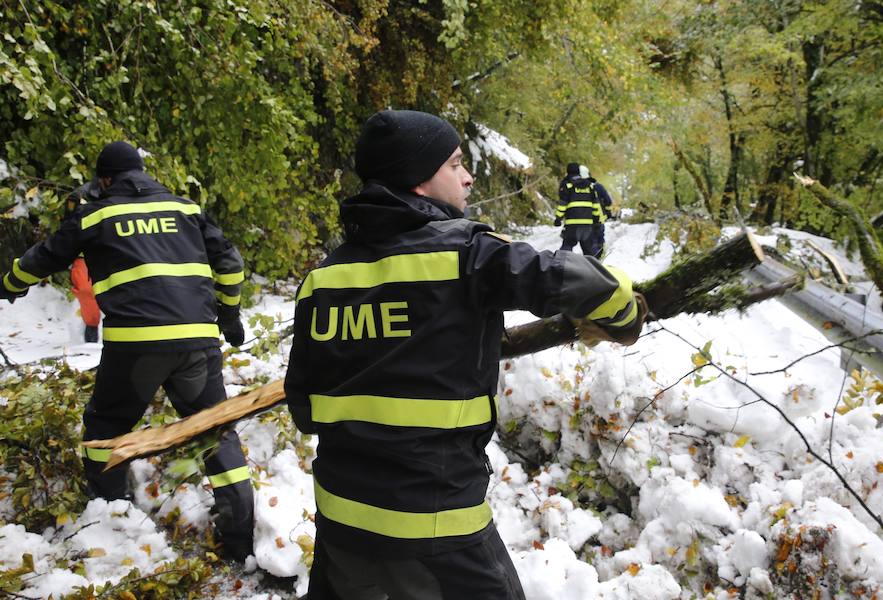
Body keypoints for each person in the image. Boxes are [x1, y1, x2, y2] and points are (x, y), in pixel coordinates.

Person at [285, 110, 648, 599]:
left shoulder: (323, 279)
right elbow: (571, 277)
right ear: (417, 178)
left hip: (341, 523)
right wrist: (625, 311)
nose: (469, 175)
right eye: (455, 164)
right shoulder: (466, 253)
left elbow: (305, 408)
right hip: (437, 526)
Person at [0, 141, 254, 560]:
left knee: (105, 429)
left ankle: (115, 523)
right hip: (197, 340)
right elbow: (230, 262)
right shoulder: (185, 209)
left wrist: (9, 284)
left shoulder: (95, 214)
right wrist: (229, 315)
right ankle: (240, 540)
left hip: (137, 346)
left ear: (104, 180)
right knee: (214, 430)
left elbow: (42, 258)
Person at [65, 180, 102, 343]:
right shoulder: (80, 197)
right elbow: (68, 227)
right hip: (84, 253)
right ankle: (91, 327)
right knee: (85, 290)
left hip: (116, 251)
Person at [554, 162, 600, 255]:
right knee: (589, 252)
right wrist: (596, 219)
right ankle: (592, 268)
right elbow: (596, 205)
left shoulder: (567, 185)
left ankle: (562, 268)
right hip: (587, 225)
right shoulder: (589, 186)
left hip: (572, 225)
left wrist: (558, 219)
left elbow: (563, 204)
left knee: (566, 249)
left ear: (568, 171)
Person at [579, 164, 614, 258]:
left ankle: (589, 263)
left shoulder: (574, 188)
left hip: (583, 221)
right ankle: (599, 261)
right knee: (599, 242)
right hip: (598, 220)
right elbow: (608, 201)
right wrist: (607, 212)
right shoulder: (598, 187)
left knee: (587, 245)